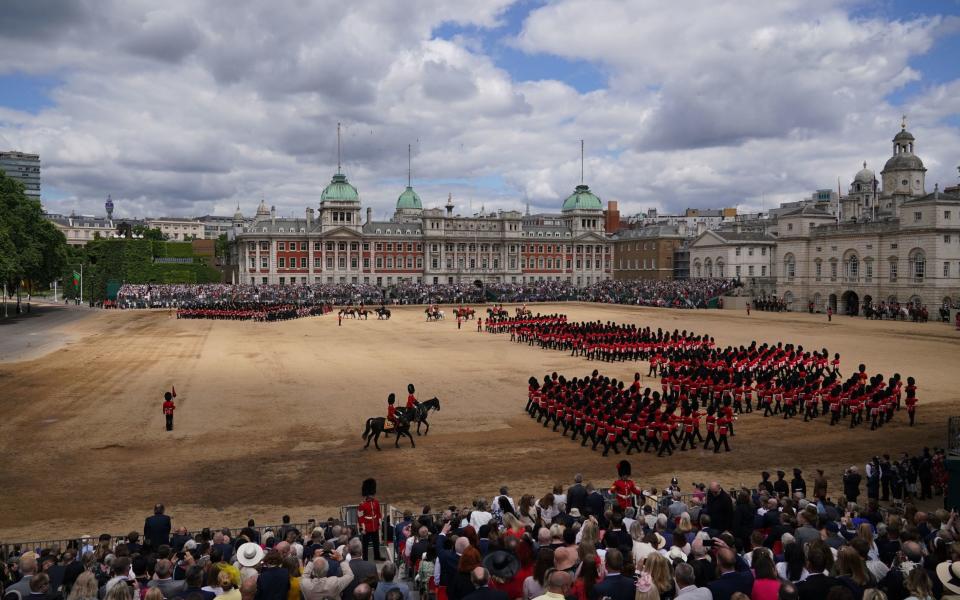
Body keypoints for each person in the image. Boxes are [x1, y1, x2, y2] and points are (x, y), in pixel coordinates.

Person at [358, 479, 383, 562]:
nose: (373, 496)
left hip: (374, 526)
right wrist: (362, 528)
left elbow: (378, 513)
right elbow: (360, 517)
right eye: (371, 494)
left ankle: (377, 556)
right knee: (365, 545)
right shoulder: (362, 505)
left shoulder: (376, 502)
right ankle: (365, 559)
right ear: (368, 495)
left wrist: (379, 524)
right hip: (367, 527)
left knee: (376, 543)